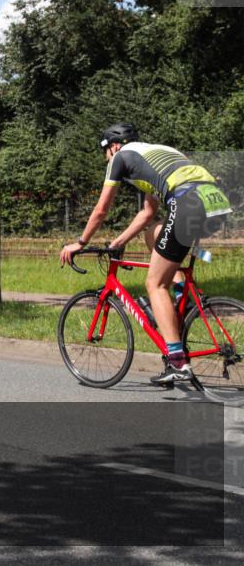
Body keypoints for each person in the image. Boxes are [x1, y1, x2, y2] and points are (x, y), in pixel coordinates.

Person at [60, 123, 232, 384]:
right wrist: (117, 241)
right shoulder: (156, 153)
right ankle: (178, 291)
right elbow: (147, 213)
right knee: (153, 232)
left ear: (114, 146)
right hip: (215, 201)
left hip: (187, 201)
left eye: (105, 152)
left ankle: (177, 362)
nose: (107, 158)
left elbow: (101, 210)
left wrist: (80, 242)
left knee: (153, 284)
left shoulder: (120, 157)